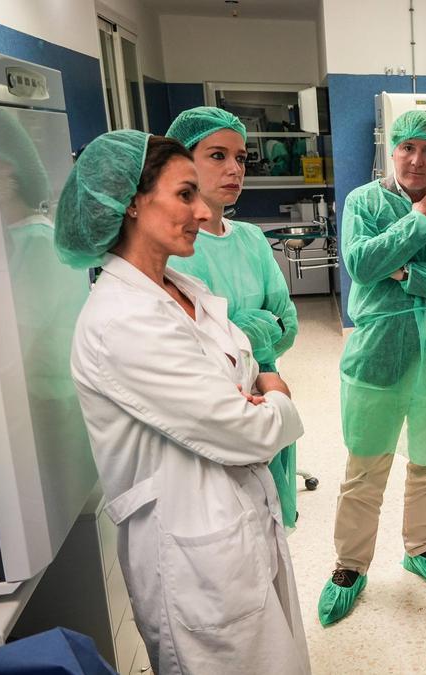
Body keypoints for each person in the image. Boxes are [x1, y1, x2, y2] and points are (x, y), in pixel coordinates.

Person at [56, 130, 310, 674]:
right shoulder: (123, 320)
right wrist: (277, 395)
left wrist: (253, 398)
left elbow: (241, 377)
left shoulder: (178, 286)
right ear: (131, 204)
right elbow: (251, 428)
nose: (202, 211)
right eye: (185, 194)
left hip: (238, 521)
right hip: (194, 552)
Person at [319, 110, 426, 626]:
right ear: (392, 151)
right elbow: (362, 265)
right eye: (407, 148)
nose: (417, 159)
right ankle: (350, 564)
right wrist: (420, 223)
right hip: (380, 356)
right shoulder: (364, 203)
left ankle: (421, 547)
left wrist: (409, 271)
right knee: (365, 465)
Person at [165, 106, 302, 528]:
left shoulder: (252, 238)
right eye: (217, 155)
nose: (234, 169)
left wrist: (237, 328)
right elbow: (194, 344)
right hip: (216, 402)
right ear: (181, 163)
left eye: (240, 157)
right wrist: (251, 331)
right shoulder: (173, 247)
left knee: (271, 513)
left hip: (267, 387)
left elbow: (287, 324)